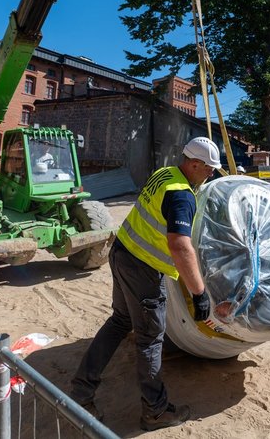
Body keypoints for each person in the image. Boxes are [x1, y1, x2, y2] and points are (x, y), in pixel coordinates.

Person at [70, 136, 220, 430]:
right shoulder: (181, 194)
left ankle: (80, 391)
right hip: (144, 270)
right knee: (150, 340)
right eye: (208, 168)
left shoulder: (164, 174)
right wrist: (199, 293)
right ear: (193, 163)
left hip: (123, 253)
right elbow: (180, 246)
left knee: (119, 321)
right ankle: (156, 410)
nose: (211, 173)